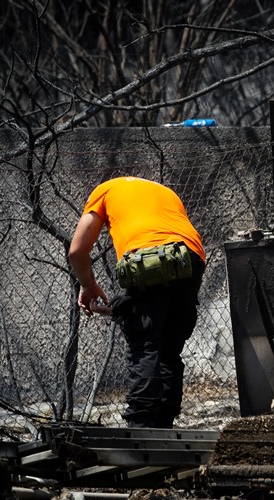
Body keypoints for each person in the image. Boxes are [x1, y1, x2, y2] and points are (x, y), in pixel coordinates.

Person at [68, 177, 206, 428]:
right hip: (190, 260)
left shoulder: (104, 190)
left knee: (146, 346)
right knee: (169, 350)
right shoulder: (166, 191)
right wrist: (121, 309)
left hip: (147, 257)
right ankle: (164, 423)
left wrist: (88, 285)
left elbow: (77, 251)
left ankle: (141, 425)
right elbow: (157, 298)